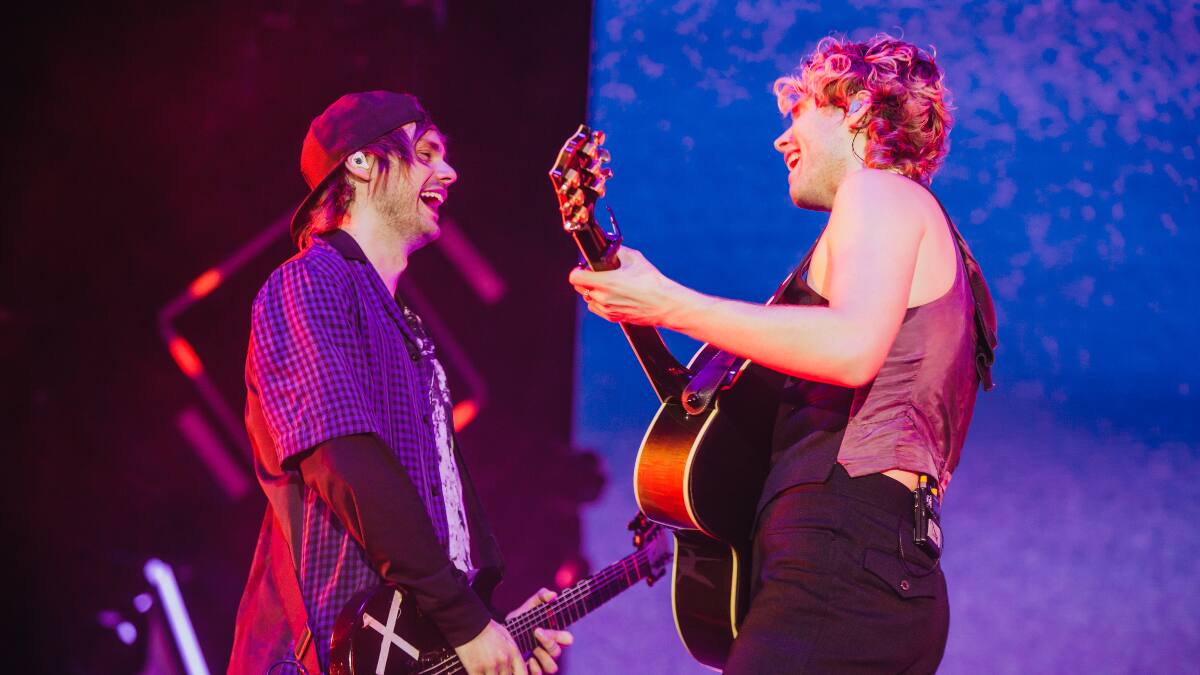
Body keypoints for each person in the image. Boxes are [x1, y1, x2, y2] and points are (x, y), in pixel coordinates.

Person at [569, 35, 996, 673]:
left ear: (856, 108)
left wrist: (666, 303)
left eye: (798, 112)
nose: (781, 139)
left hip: (839, 559)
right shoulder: (923, 232)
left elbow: (850, 349)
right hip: (883, 568)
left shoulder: (879, 193)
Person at [230, 91, 572, 675]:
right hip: (319, 656)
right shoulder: (308, 284)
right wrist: (465, 622)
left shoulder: (405, 327)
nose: (449, 171)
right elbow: (344, 463)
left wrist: (489, 624)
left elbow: (430, 520)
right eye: (427, 153)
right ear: (361, 163)